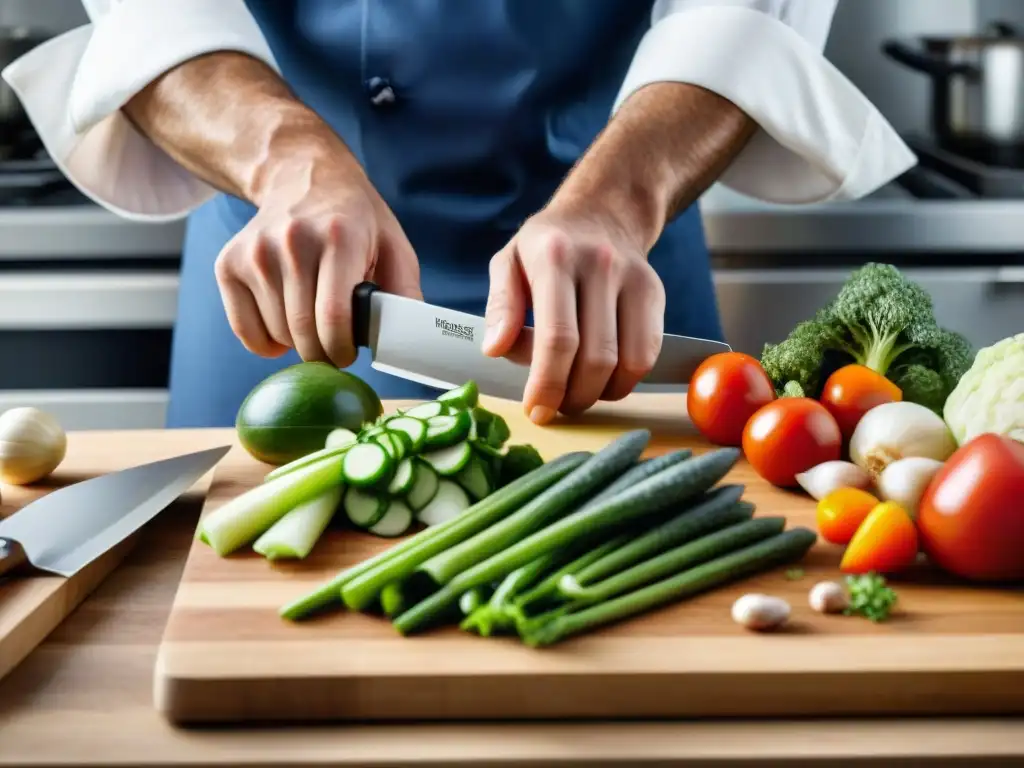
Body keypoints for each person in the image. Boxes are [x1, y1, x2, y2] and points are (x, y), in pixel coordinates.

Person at [4, 0, 914, 427]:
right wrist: (287, 160)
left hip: (616, 280)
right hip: (286, 280)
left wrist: (616, 199)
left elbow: (746, 13)